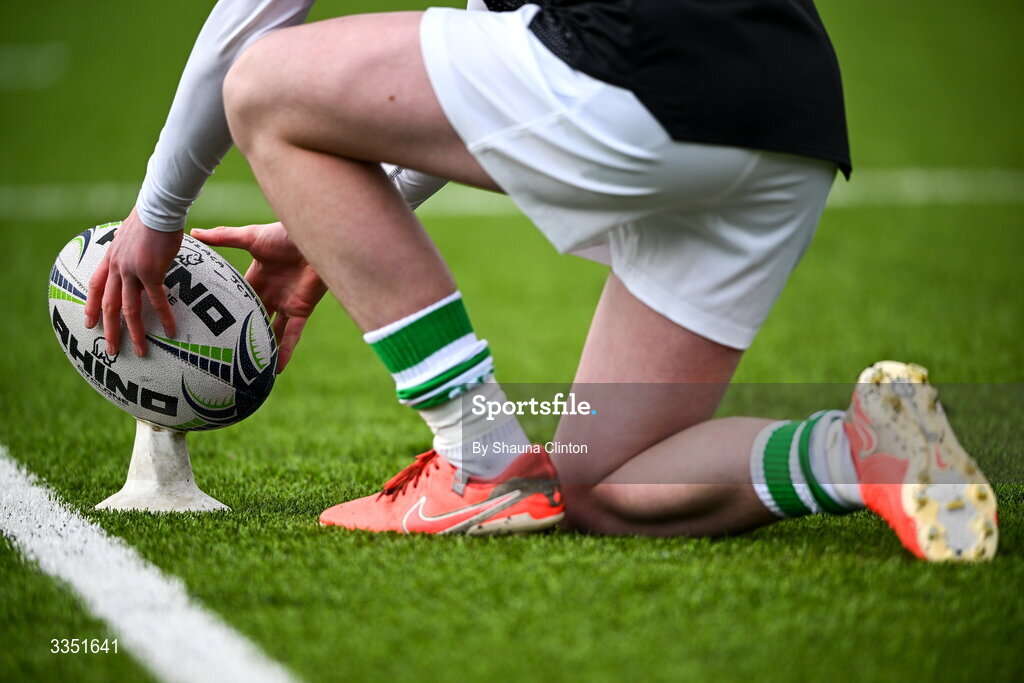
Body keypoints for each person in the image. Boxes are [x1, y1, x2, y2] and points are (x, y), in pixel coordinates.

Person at [84, 0, 997, 559]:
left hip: (639, 67)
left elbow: (255, 25)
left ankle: (476, 457)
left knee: (264, 86)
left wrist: (155, 215)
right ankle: (863, 451)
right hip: (787, 113)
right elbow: (483, 73)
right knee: (605, 486)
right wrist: (330, 231)